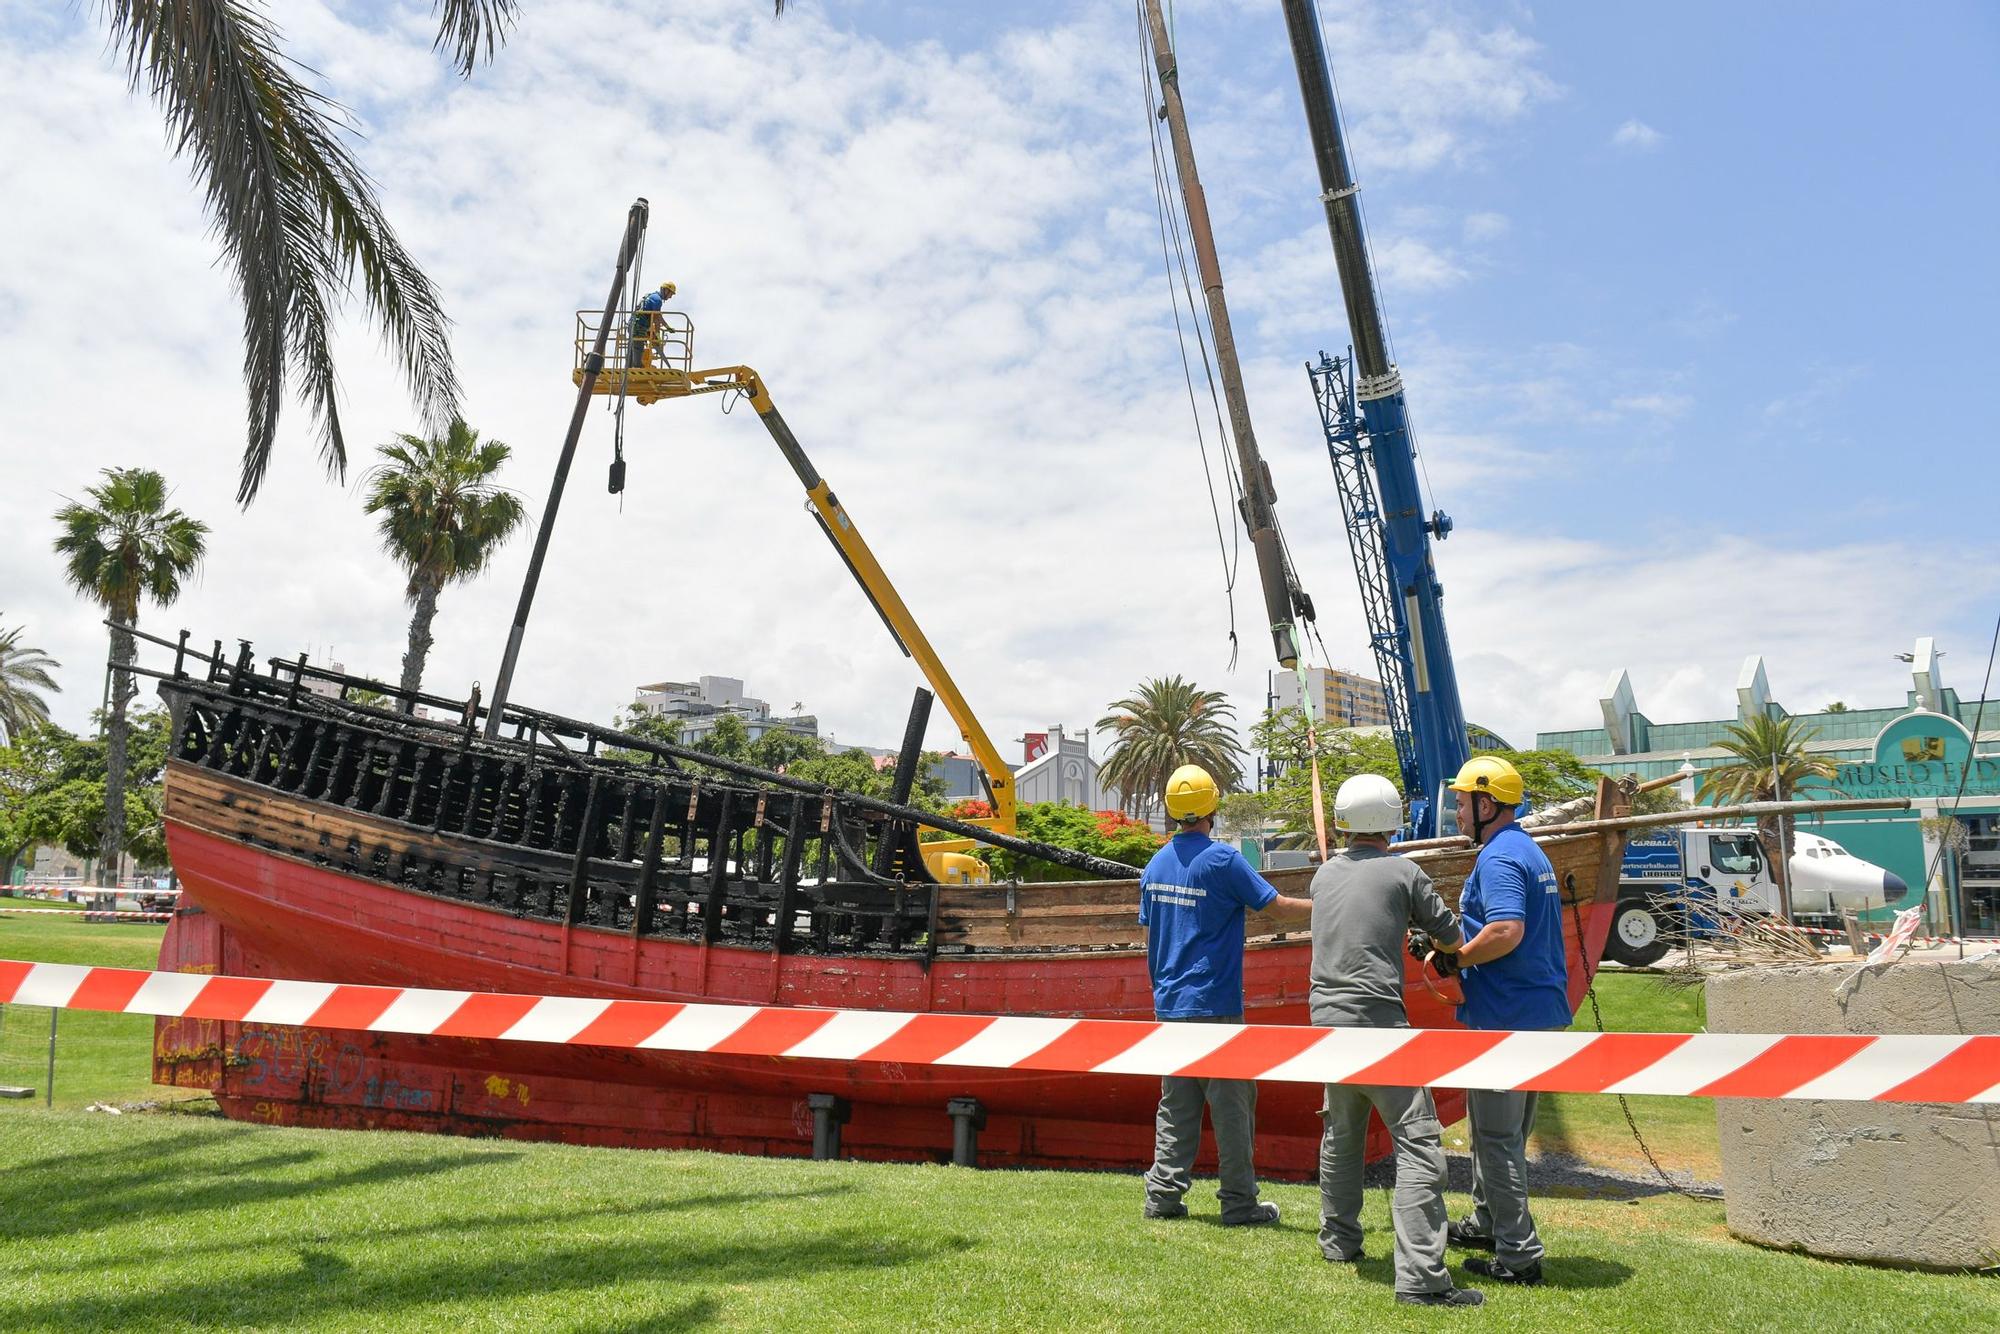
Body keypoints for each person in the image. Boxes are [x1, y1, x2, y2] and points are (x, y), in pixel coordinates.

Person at [1309, 773, 1482, 1309]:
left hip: (1325, 1021)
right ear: (1391, 820)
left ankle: (1339, 1241)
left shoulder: (1322, 877)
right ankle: (1422, 1278)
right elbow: (1453, 939)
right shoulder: (1405, 872)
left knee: (1342, 1132)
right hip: (1377, 1024)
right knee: (1419, 1142)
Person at [1139, 763, 1311, 1225]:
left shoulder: (1155, 865)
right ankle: (1239, 1202)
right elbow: (1276, 908)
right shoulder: (1223, 861)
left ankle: (1163, 1198)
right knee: (1233, 1107)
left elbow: (1155, 931)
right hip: (1214, 1004)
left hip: (1170, 1006)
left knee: (1176, 1106)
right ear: (1212, 806)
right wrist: (1333, 906)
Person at [1443, 755, 1571, 1288]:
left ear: (1486, 803)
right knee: (1504, 1134)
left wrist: (1455, 958)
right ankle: (1486, 1222)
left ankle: (1519, 1256)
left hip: (1507, 1017)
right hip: (1535, 1012)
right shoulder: (1528, 850)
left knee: (1496, 1137)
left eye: (1460, 804)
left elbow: (1506, 931)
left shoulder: (1497, 859)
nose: (1455, 814)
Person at [630, 280, 676, 368]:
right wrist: (658, 336)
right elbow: (656, 318)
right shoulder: (658, 300)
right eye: (671, 294)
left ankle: (630, 367)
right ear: (666, 290)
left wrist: (667, 327)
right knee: (638, 348)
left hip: (635, 324)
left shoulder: (652, 296)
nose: (670, 297)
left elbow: (657, 315)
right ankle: (637, 368)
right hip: (638, 326)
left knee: (633, 348)